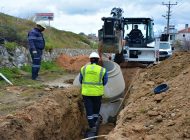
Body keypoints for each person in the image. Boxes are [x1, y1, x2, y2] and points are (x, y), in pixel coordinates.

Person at [79, 52, 108, 132]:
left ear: (90, 60)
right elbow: (105, 82)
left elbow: (80, 80)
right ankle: (94, 123)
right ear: (98, 60)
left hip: (86, 93)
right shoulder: (102, 70)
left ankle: (91, 125)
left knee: (89, 109)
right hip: (97, 93)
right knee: (96, 109)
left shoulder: (84, 68)